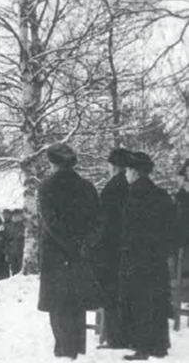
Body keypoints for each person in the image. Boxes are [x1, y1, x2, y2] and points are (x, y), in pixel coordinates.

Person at [38, 143, 103, 360]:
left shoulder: (46, 187)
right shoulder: (88, 187)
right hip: (81, 256)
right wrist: (83, 245)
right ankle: (74, 351)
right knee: (77, 304)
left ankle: (64, 351)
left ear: (53, 163)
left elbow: (52, 223)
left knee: (58, 307)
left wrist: (70, 245)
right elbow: (98, 223)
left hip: (56, 256)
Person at [118, 152, 175, 361]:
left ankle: (141, 348)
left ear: (134, 171)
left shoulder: (131, 195)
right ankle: (159, 346)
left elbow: (126, 231)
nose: (126, 174)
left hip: (136, 259)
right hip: (157, 260)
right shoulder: (162, 195)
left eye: (127, 170)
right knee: (156, 302)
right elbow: (173, 230)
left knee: (138, 302)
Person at [96, 148, 131, 350]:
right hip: (126, 250)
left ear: (114, 167)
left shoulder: (111, 189)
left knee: (111, 294)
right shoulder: (129, 187)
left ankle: (115, 339)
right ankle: (124, 336)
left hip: (111, 250)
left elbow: (104, 223)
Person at [0, 209, 12, 279]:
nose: (5, 216)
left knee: (8, 265)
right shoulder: (1, 224)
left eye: (7, 214)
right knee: (1, 264)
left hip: (10, 247)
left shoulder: (12, 224)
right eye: (4, 215)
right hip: (1, 248)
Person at [7, 209, 25, 276]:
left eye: (17, 215)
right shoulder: (11, 225)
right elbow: (8, 237)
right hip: (12, 250)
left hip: (20, 249)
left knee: (20, 266)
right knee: (14, 268)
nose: (15, 217)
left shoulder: (23, 225)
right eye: (14, 215)